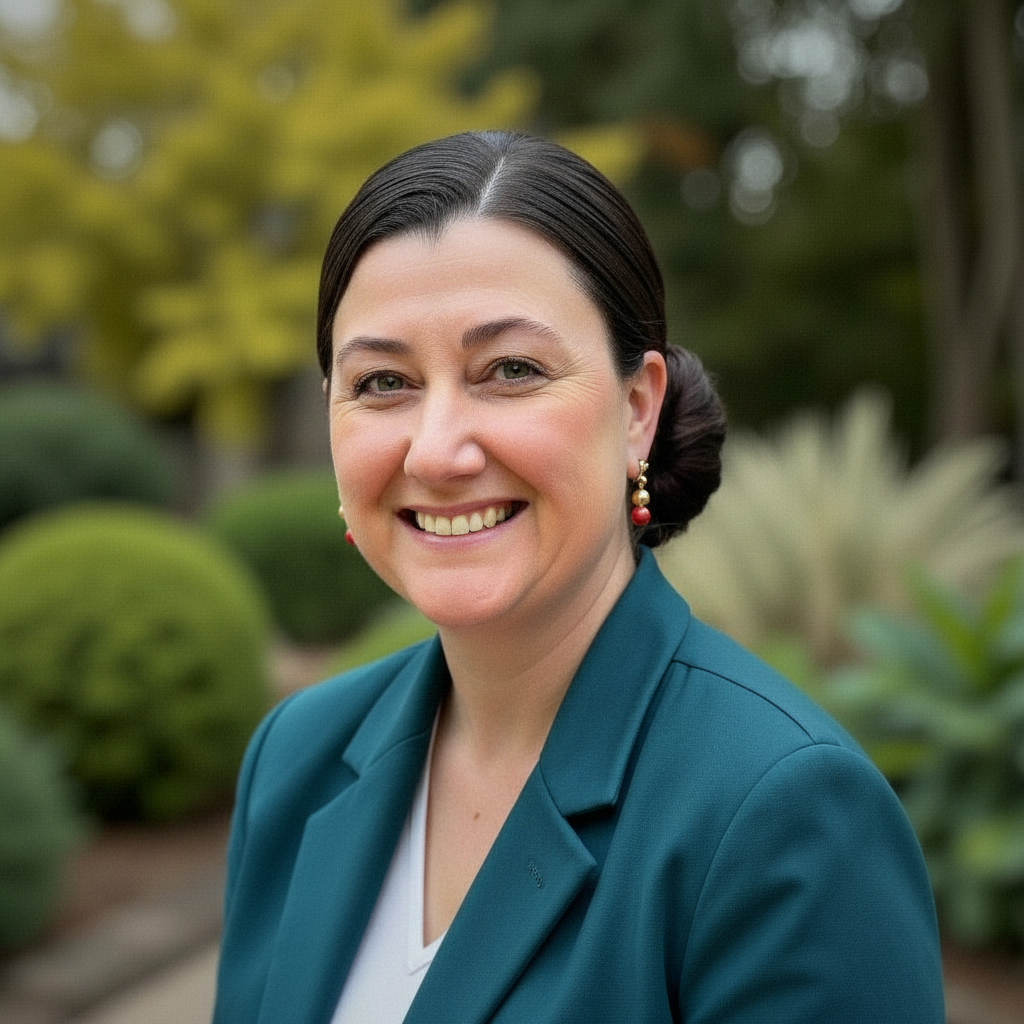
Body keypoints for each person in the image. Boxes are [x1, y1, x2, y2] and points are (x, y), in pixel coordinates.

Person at [211, 131, 945, 1024]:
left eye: (511, 370)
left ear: (638, 409)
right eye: (382, 382)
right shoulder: (296, 758)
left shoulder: (780, 816)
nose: (437, 451)